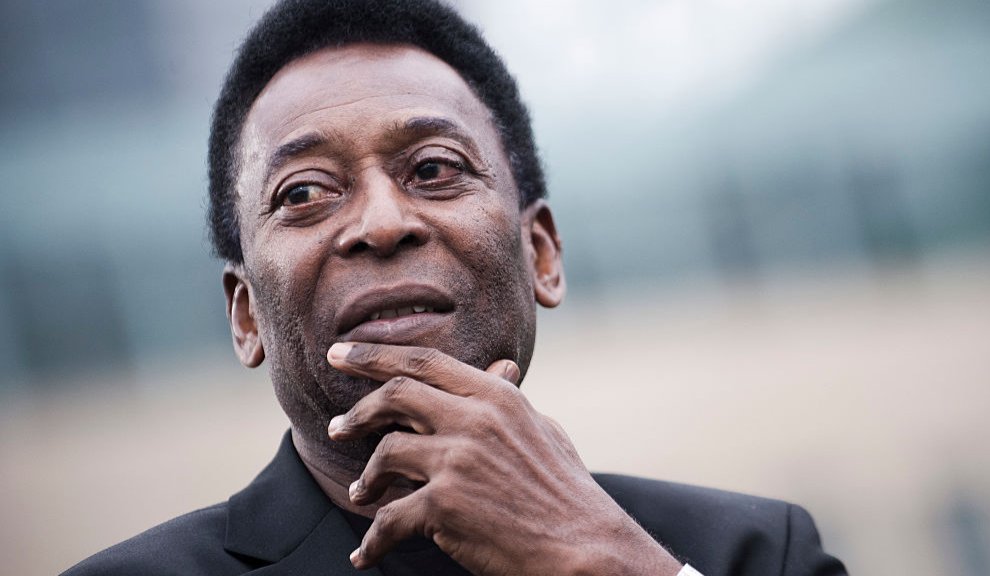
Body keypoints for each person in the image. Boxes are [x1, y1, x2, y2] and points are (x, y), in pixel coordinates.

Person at [62, 0, 847, 574]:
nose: (381, 223)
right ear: (245, 318)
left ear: (541, 254)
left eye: (434, 169)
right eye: (304, 192)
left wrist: (601, 559)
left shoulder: (755, 554)